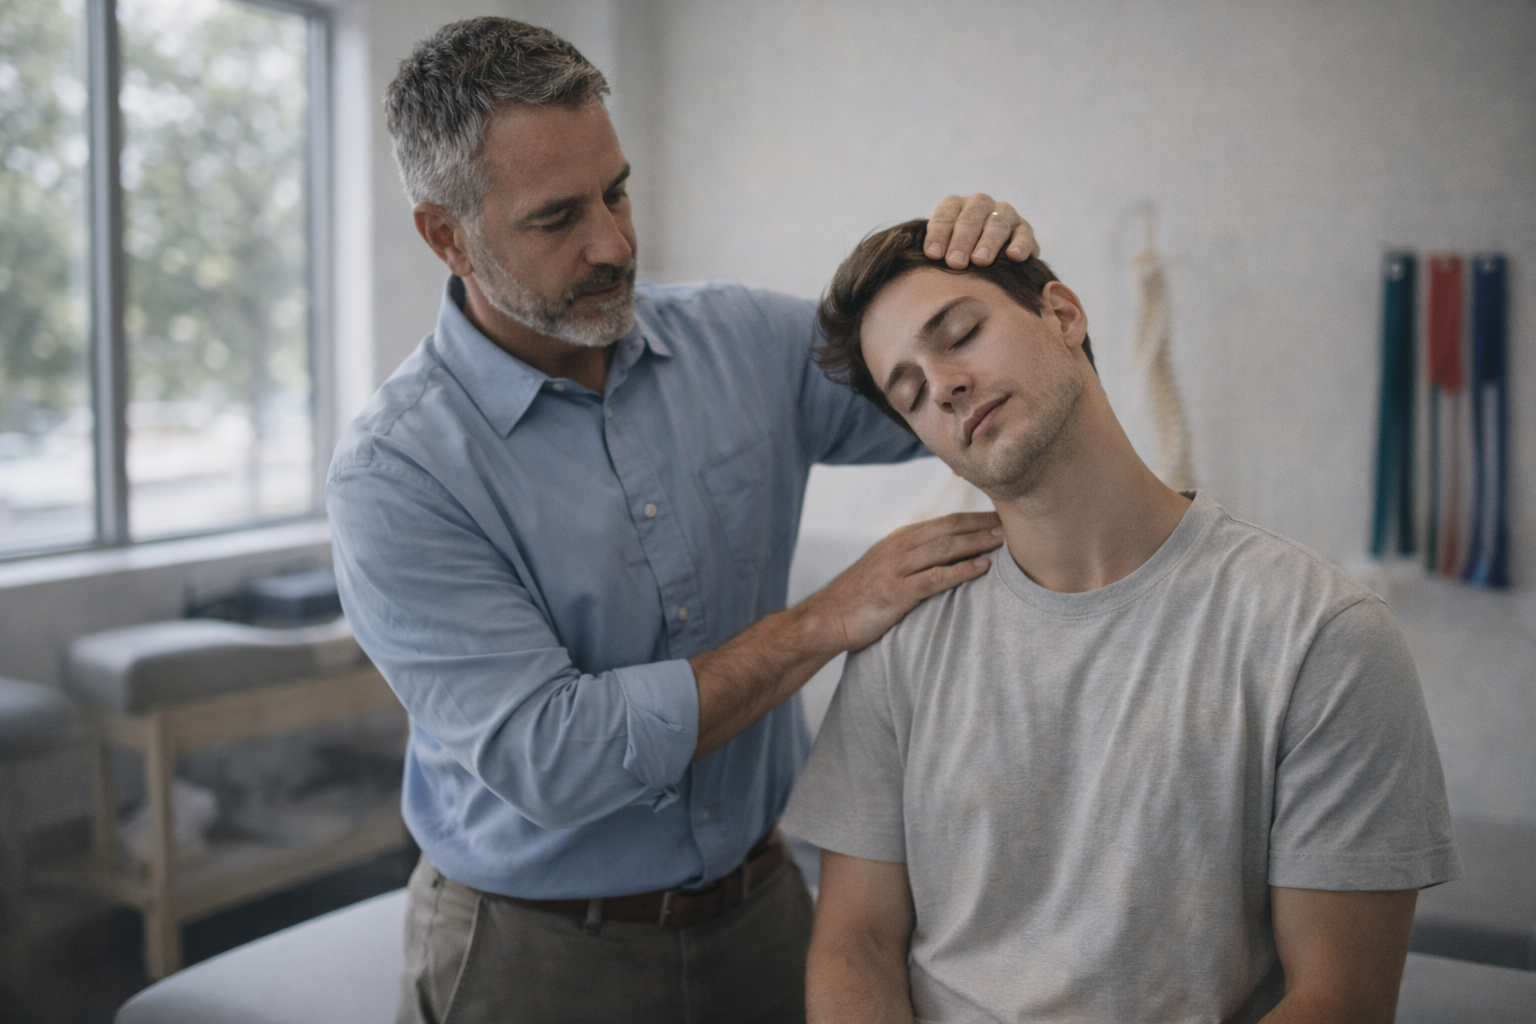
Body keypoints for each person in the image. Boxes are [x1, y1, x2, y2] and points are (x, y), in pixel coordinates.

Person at [326, 18, 1037, 1024]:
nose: (613, 242)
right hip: (538, 956)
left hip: (766, 916)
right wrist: (829, 618)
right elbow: (554, 755)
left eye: (617, 190)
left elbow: (965, 396)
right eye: (557, 217)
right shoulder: (395, 475)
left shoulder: (745, 340)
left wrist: (1001, 279)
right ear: (446, 233)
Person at [782, 219, 1461, 1024]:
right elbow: (855, 942)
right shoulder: (905, 635)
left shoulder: (1320, 634)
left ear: (1063, 316)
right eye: (910, 392)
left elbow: (1340, 998)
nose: (944, 384)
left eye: (961, 333)